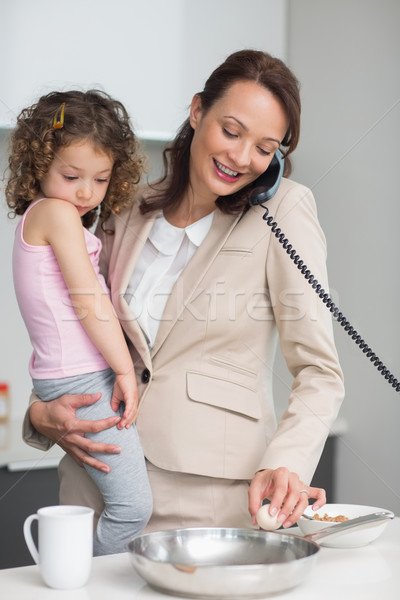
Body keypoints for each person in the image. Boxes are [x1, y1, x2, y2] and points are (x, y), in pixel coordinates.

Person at [23, 50, 344, 533]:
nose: (241, 157)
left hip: (207, 500)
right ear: (198, 112)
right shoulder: (126, 208)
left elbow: (320, 371)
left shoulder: (284, 213)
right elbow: (76, 318)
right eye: (231, 131)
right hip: (98, 483)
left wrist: (289, 463)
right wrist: (40, 413)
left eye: (264, 147)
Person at [6, 90, 153, 555]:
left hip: (67, 375)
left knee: (122, 505)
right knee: (131, 510)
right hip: (83, 377)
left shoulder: (54, 217)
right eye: (72, 176)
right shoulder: (56, 214)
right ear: (39, 166)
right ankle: (96, 584)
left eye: (101, 179)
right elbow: (88, 299)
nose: (86, 192)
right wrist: (125, 371)